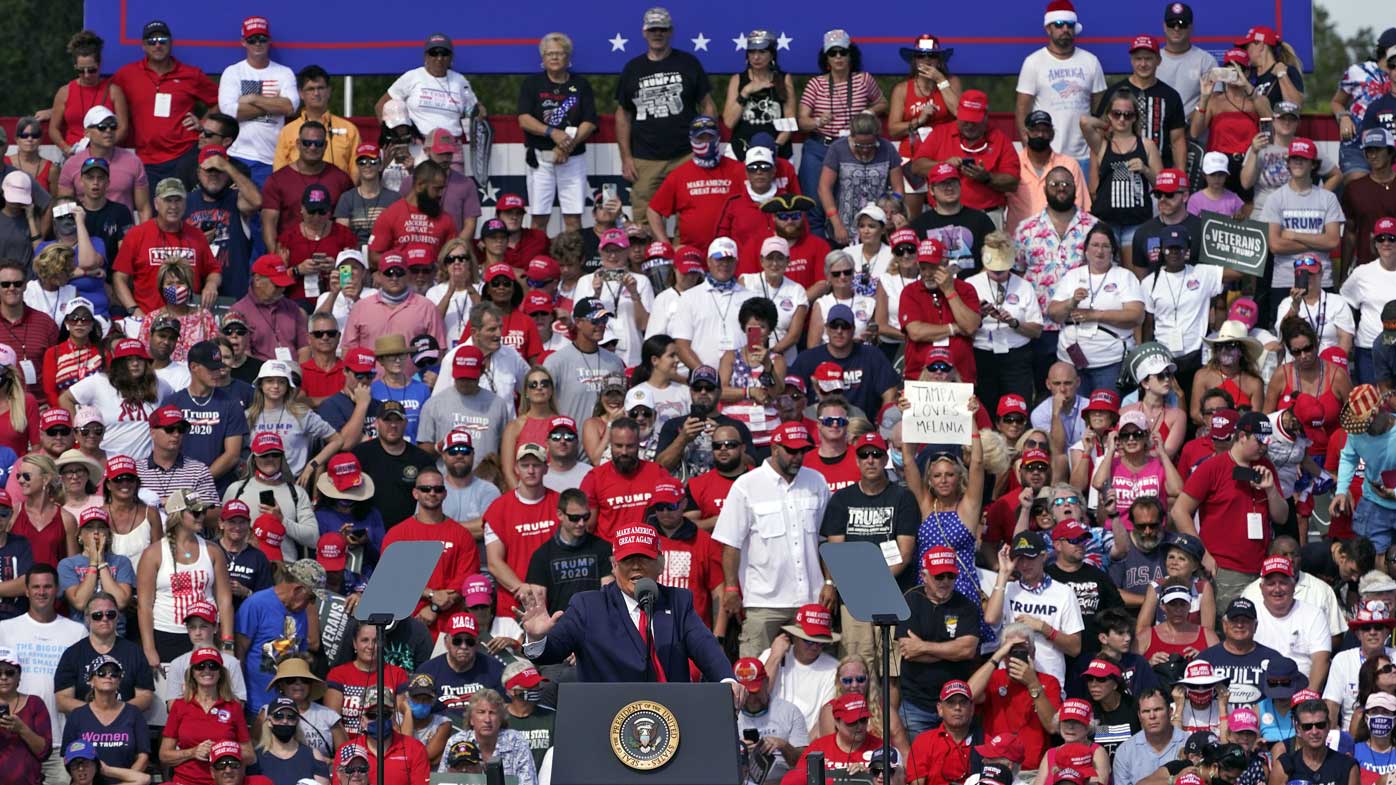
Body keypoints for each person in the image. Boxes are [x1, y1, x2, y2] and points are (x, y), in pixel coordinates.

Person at [714, 421, 830, 657]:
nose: (798, 457)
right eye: (791, 451)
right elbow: (731, 544)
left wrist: (829, 583)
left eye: (802, 451)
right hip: (763, 600)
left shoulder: (817, 481)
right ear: (775, 448)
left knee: (810, 668)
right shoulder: (746, 485)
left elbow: (825, 540)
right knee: (754, 667)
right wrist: (732, 588)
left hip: (810, 598)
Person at [615, 8, 715, 221]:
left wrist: (706, 142)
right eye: (653, 29)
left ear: (670, 32)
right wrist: (626, 158)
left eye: (662, 29)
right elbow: (623, 115)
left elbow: (707, 105)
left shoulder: (688, 63)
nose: (657, 34)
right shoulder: (633, 68)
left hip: (686, 154)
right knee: (643, 221)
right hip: (645, 159)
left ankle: (685, 246)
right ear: (644, 32)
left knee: (691, 215)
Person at [796, 30, 887, 237]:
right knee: (814, 203)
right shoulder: (816, 83)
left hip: (851, 148)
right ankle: (819, 249)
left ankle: (850, 247)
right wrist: (817, 121)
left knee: (849, 202)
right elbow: (802, 121)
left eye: (842, 52)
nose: (838, 57)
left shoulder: (863, 80)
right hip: (821, 147)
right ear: (826, 58)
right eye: (833, 53)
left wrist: (869, 112)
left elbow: (882, 103)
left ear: (850, 55)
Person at [0, 565, 84, 782]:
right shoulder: (5, 629)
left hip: (61, 739)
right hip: (13, 740)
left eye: (47, 586)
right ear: (26, 591)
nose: (41, 592)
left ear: (57, 589)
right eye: (36, 587)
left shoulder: (77, 631)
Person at [111, 20, 219, 186]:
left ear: (170, 43)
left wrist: (204, 123)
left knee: (186, 201)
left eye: (162, 40)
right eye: (152, 41)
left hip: (185, 154)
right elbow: (107, 101)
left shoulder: (191, 74)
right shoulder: (126, 75)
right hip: (146, 159)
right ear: (143, 46)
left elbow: (221, 101)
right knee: (151, 203)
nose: (157, 45)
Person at [1047, 224, 1144, 394]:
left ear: (1113, 251)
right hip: (1071, 362)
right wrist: (1072, 302)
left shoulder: (1124, 276)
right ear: (1086, 250)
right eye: (1095, 245)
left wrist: (1095, 315)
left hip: (1110, 362)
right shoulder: (1072, 276)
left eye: (1105, 246)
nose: (1100, 251)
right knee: (1073, 409)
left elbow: (1136, 316)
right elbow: (1053, 314)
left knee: (1106, 409)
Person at [517, 33, 597, 234]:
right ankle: (538, 254)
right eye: (549, 53)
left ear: (568, 57)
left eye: (559, 53)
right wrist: (552, 132)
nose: (554, 57)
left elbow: (589, 122)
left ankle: (573, 255)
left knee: (573, 218)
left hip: (573, 158)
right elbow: (524, 119)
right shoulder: (532, 84)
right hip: (540, 159)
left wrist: (566, 146)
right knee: (539, 217)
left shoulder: (581, 85)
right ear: (542, 58)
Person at [111, 178, 221, 318]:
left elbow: (214, 270)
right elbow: (119, 278)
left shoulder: (197, 236)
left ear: (185, 203)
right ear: (156, 204)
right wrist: (134, 310)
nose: (173, 206)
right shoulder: (136, 235)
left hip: (188, 320)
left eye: (178, 200)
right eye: (168, 200)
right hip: (148, 318)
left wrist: (211, 284)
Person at [1261, 138, 1345, 315]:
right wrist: (1317, 241)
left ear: (1313, 164)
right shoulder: (1275, 199)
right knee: (1286, 330)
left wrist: (1293, 235)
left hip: (1321, 280)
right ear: (1288, 163)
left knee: (1324, 330)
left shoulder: (1328, 198)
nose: (1298, 162)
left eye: (1304, 158)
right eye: (1294, 158)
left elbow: (1333, 241)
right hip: (1285, 281)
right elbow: (1275, 245)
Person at [216, 17, 297, 186]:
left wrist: (252, 99)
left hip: (273, 158)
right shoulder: (233, 72)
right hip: (237, 155)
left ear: (269, 41)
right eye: (252, 39)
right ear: (243, 42)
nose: (257, 43)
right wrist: (274, 105)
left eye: (262, 38)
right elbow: (229, 112)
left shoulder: (284, 73)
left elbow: (290, 107)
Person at [235, 559, 322, 716]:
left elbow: (300, 658)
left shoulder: (300, 612)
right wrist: (238, 695)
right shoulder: (256, 604)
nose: (311, 603)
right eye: (311, 598)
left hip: (289, 711)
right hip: (256, 707)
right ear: (297, 590)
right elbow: (238, 653)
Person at [259, 122, 354, 255]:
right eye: (307, 143)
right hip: (290, 256)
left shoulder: (341, 178)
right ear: (298, 144)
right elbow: (269, 223)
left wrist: (344, 258)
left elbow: (348, 223)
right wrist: (277, 260)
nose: (312, 147)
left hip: (331, 256)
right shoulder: (277, 180)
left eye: (318, 143)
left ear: (326, 145)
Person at [58, 651, 150, 775]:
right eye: (101, 673)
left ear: (119, 681)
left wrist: (127, 780)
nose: (108, 676)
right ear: (90, 680)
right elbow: (68, 758)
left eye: (114, 673)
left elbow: (143, 757)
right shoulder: (77, 716)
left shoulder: (134, 713)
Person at [818, 114, 903, 247]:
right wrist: (836, 223)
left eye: (870, 145)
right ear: (851, 136)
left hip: (879, 225)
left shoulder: (887, 148)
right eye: (859, 145)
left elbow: (898, 188)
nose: (864, 150)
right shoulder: (837, 149)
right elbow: (824, 188)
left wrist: (892, 212)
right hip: (845, 224)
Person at [1334, 385, 1396, 555]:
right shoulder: (1357, 431)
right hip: (1373, 503)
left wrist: (1394, 493)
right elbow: (1348, 457)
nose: (1364, 430)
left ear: (1381, 410)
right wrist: (1341, 491)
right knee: (1369, 559)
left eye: (1367, 424)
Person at [57, 108, 149, 219]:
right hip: (84, 227)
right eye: (102, 127)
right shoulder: (71, 165)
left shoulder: (133, 162)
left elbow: (144, 208)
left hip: (121, 227)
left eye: (113, 126)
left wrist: (144, 231)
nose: (108, 130)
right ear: (87, 133)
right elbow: (64, 207)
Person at [49, 30, 130, 154]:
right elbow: (53, 128)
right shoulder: (65, 92)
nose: (87, 75)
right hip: (74, 153)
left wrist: (105, 146)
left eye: (92, 70)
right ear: (75, 66)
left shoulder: (113, 91)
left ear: (99, 65)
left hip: (105, 154)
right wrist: (65, 148)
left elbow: (123, 128)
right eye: (81, 71)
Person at [275, 65, 360, 180]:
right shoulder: (287, 131)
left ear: (329, 91)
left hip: (340, 191)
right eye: (310, 89)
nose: (316, 93)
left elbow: (356, 172)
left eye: (320, 88)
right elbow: (279, 175)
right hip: (298, 191)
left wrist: (345, 192)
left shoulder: (349, 130)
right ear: (301, 93)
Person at [437, 689, 538, 784]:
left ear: (501, 719)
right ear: (471, 719)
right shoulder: (456, 742)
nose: (487, 720)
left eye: (492, 713)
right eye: (481, 712)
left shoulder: (516, 741)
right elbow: (442, 781)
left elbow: (528, 782)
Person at [336, 685, 430, 785]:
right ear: (362, 720)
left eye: (385, 714)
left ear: (393, 717)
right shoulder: (345, 751)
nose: (379, 720)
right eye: (372, 715)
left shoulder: (415, 749)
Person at [325, 625, 408, 736]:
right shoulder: (338, 674)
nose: (370, 646)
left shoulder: (397, 674)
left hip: (386, 743)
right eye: (365, 640)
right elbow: (333, 723)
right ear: (355, 643)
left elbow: (399, 722)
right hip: (348, 744)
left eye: (376, 641)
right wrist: (349, 747)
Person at [1271, 698, 1359, 785]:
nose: (1314, 732)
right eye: (1307, 727)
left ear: (1328, 726)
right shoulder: (1284, 766)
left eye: (1320, 725)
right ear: (1298, 729)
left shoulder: (1347, 766)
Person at [0, 646, 51, 785]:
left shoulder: (35, 703)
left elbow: (44, 751)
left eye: (9, 672)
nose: (3, 677)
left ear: (19, 676)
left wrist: (22, 729)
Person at [256, 696, 329, 785]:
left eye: (291, 716)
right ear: (269, 721)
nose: (285, 721)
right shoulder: (256, 758)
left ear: (297, 721)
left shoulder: (313, 756)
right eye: (279, 716)